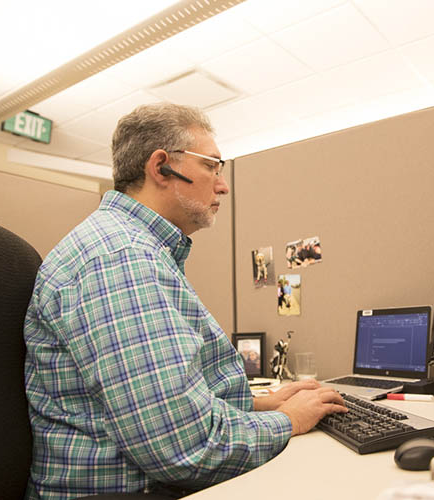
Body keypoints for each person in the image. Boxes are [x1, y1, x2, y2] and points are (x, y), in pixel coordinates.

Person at [24, 102, 347, 500]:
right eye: (212, 165)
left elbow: (169, 400)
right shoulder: (121, 258)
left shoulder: (133, 249)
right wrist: (289, 420)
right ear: (161, 167)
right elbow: (182, 446)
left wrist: (256, 405)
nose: (223, 184)